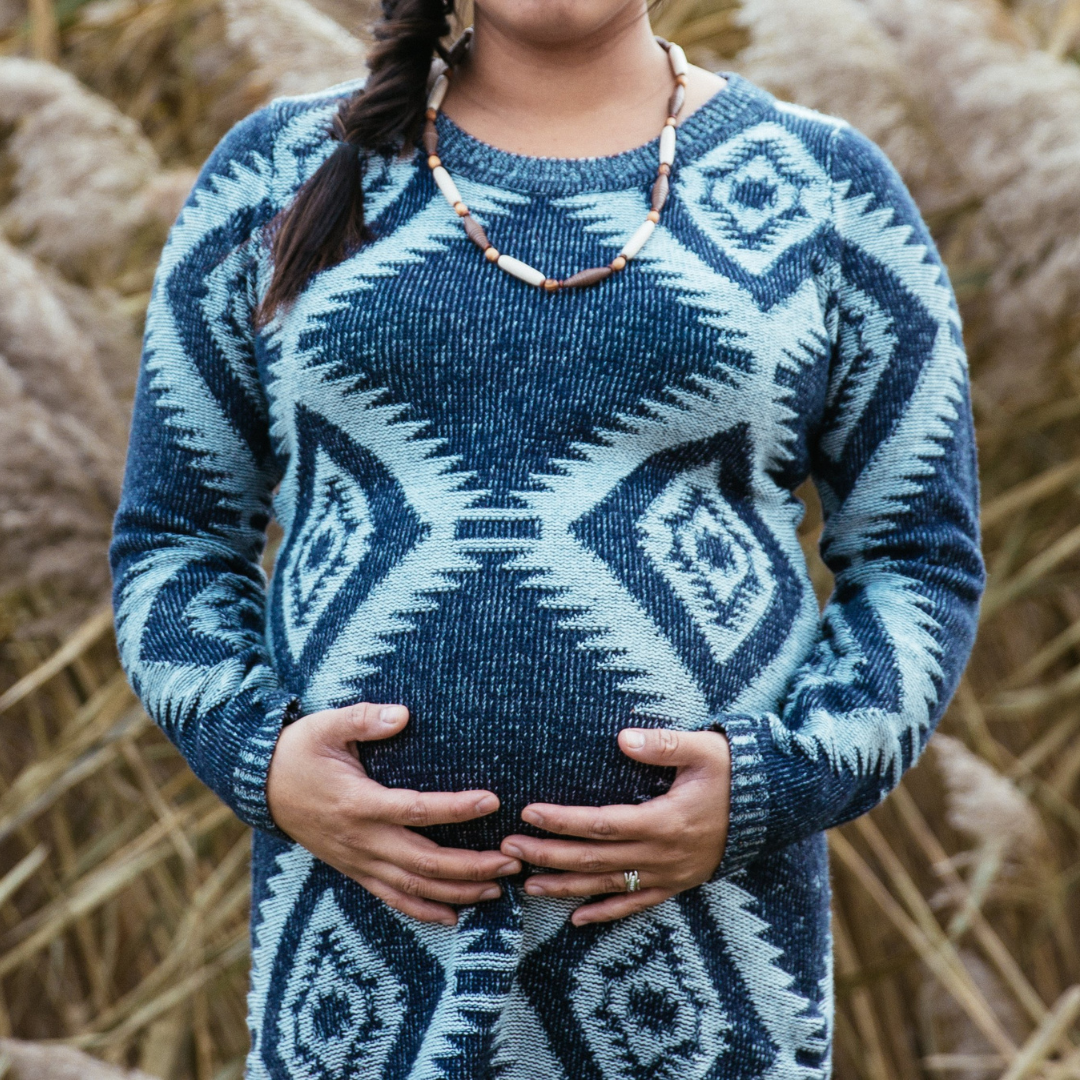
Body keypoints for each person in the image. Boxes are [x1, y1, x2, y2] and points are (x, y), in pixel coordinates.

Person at [108, 0, 985, 1075]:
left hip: (705, 989)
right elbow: (173, 538)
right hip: (357, 987)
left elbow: (918, 560)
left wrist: (777, 782)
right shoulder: (280, 173)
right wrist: (262, 760)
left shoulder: (824, 189)